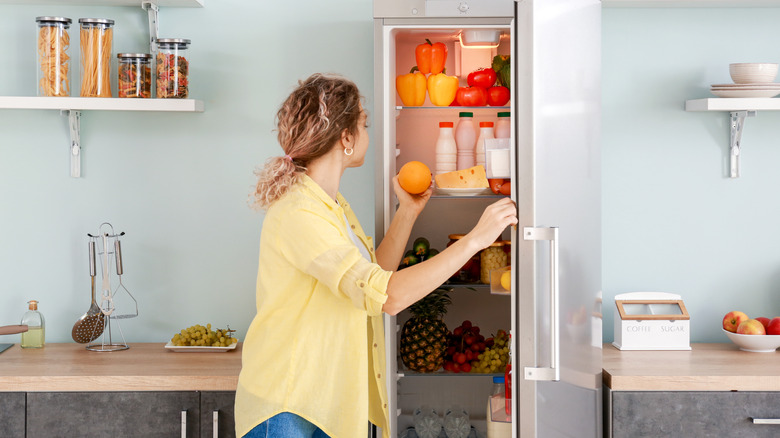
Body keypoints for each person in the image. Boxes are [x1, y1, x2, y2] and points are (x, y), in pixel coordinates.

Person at [235, 73, 517, 438]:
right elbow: (387, 296)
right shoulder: (299, 211)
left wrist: (408, 212)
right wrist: (475, 240)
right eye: (364, 124)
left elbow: (373, 276)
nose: (371, 133)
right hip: (291, 404)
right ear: (346, 138)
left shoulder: (332, 205)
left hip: (325, 400)